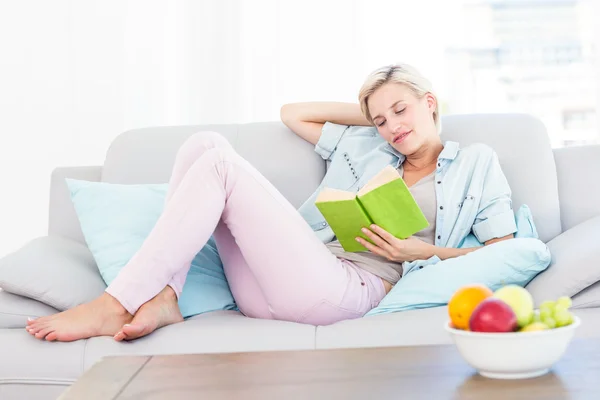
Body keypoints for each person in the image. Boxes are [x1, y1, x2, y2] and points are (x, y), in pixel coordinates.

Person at [26, 63, 517, 342]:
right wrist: (375, 116)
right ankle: (165, 298)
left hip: (352, 292)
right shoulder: (366, 145)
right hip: (287, 282)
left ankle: (118, 302)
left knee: (221, 165)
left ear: (430, 102)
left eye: (402, 109)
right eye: (382, 118)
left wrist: (420, 252)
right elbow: (293, 114)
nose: (393, 126)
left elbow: (506, 252)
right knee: (205, 143)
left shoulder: (475, 162)